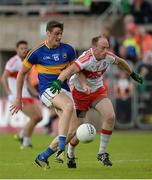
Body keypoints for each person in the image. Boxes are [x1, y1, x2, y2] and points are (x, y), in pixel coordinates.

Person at [49, 35, 143, 167]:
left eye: (107, 48)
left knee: (110, 116)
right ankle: (71, 152)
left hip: (97, 91)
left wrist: (132, 74)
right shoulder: (86, 58)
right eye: (103, 48)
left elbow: (121, 62)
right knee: (76, 131)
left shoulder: (108, 57)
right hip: (79, 94)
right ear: (94, 48)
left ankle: (102, 152)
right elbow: (70, 70)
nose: (106, 51)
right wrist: (59, 81)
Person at [9, 21, 78, 169]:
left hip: (64, 90)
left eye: (60, 34)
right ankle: (61, 149)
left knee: (72, 130)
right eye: (56, 34)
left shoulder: (68, 50)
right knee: (67, 106)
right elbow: (21, 74)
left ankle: (43, 156)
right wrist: (18, 98)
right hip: (47, 90)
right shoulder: (37, 52)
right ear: (48, 33)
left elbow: (76, 69)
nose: (59, 37)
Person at [1, 40, 43, 149]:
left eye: (25, 48)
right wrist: (10, 93)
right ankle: (25, 142)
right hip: (17, 96)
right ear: (17, 50)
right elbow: (4, 78)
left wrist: (36, 94)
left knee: (39, 117)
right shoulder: (13, 61)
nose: (24, 50)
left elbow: (26, 82)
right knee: (35, 117)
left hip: (26, 95)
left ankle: (21, 135)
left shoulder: (26, 62)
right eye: (21, 48)